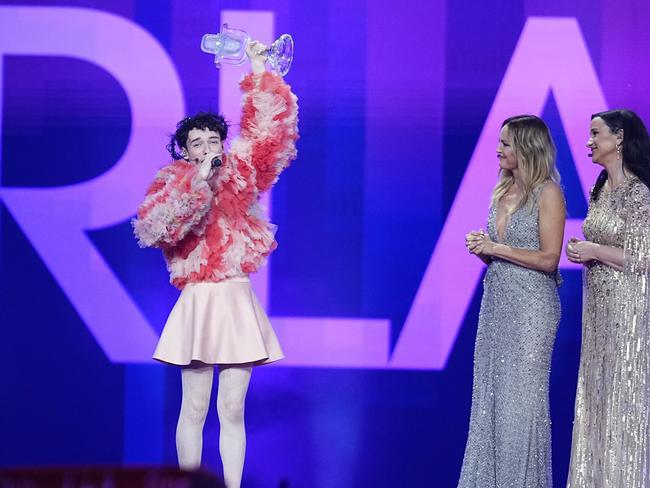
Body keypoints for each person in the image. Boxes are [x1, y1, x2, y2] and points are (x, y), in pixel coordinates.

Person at [132, 40, 298, 488]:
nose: (207, 146)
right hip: (200, 299)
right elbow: (156, 230)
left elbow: (270, 134)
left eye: (213, 140)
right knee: (195, 406)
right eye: (196, 143)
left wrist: (260, 67)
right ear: (184, 152)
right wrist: (197, 186)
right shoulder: (171, 182)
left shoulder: (242, 172)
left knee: (232, 408)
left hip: (234, 296)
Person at [459, 115, 566, 487]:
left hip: (532, 309)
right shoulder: (501, 191)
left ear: (527, 148)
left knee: (521, 407)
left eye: (506, 143)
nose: (498, 149)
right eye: (500, 142)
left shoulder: (549, 193)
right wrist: (485, 251)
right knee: (490, 402)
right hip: (496, 304)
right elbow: (503, 253)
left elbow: (549, 259)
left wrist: (496, 247)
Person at [565, 109, 650, 487]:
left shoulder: (639, 194)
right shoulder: (599, 187)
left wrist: (595, 251)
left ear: (618, 138)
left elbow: (644, 258)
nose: (588, 142)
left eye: (594, 134)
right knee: (596, 395)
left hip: (628, 311)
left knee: (622, 397)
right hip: (597, 311)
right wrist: (586, 250)